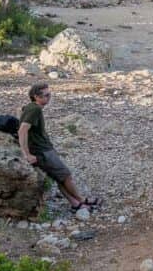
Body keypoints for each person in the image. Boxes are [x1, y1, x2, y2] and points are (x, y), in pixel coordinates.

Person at [18, 82, 99, 212]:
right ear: (36, 96)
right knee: (66, 176)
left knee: (59, 177)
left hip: (43, 149)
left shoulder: (30, 107)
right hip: (43, 152)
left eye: (50, 94)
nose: (49, 97)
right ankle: (82, 199)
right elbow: (22, 130)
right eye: (46, 95)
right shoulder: (35, 109)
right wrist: (26, 154)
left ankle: (75, 204)